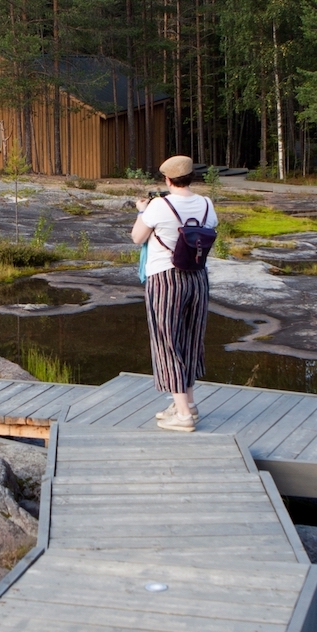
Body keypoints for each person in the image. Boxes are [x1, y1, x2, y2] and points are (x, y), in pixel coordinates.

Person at [132, 155, 217, 432]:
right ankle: (188, 403)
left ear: (167, 180)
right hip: (198, 278)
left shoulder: (159, 205)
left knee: (167, 341)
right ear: (192, 177)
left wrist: (142, 211)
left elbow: (137, 237)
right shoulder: (206, 203)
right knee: (191, 340)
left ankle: (182, 415)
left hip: (166, 280)